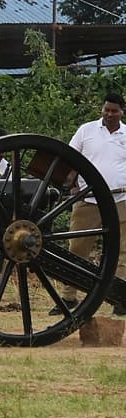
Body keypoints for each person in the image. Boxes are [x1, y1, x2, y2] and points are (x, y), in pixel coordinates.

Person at [63, 93, 126, 314]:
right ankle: (69, 297)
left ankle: (120, 300)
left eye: (114, 111)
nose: (109, 114)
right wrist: (70, 183)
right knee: (77, 248)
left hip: (119, 199)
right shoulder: (86, 130)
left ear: (122, 112)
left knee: (122, 251)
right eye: (106, 110)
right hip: (88, 199)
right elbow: (70, 158)